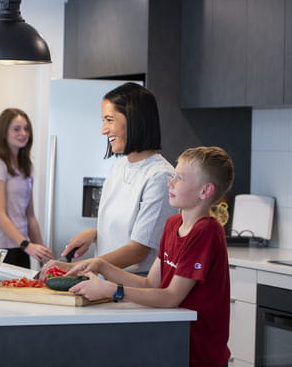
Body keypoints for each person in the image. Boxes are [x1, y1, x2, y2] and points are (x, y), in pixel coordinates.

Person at [69, 146, 234, 367]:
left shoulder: (205, 231)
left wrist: (112, 290)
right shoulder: (173, 223)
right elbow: (151, 283)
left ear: (205, 191)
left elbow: (170, 297)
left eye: (180, 178)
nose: (171, 182)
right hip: (175, 339)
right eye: (174, 175)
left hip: (200, 351)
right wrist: (102, 266)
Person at [42, 82, 176, 276]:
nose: (103, 130)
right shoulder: (119, 166)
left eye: (109, 119)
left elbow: (139, 250)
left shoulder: (160, 177)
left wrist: (78, 267)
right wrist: (94, 234)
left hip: (135, 284)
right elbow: (128, 229)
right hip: (107, 280)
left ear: (134, 119)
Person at [0, 108, 53, 268]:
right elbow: (0, 216)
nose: (24, 133)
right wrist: (27, 245)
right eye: (16, 129)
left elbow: (30, 216)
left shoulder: (25, 167)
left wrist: (43, 255)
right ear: (3, 133)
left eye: (26, 128)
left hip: (20, 248)